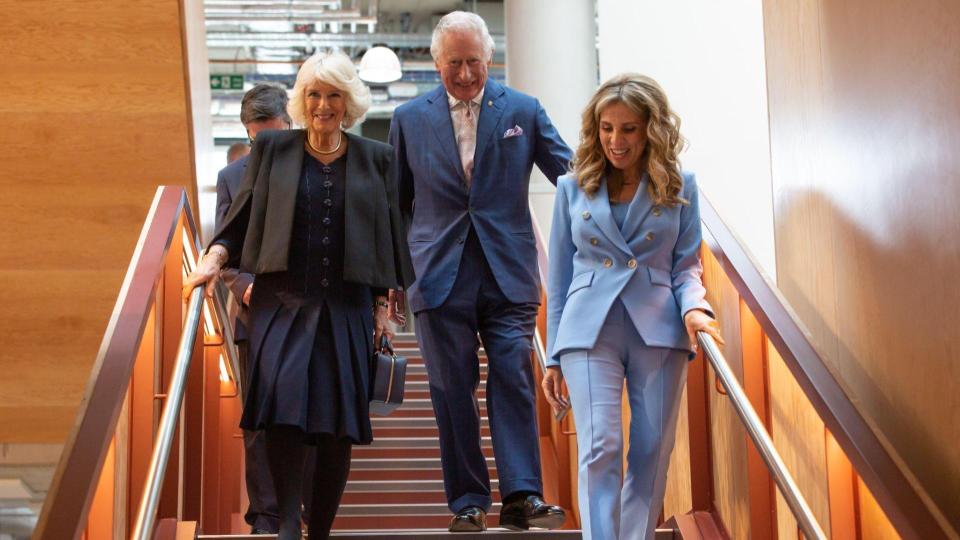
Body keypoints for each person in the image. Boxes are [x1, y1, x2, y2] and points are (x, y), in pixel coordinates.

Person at [185, 51, 414, 540]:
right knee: (285, 415)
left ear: (348, 103)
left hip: (347, 309)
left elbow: (384, 236)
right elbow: (239, 223)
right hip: (282, 305)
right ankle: (288, 522)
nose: (323, 105)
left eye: (333, 95)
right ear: (301, 101)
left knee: (336, 429)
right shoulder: (273, 152)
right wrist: (214, 260)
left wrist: (380, 306)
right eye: (313, 94)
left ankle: (321, 529)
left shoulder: (376, 159)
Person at [387, 10, 572, 533]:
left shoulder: (524, 111)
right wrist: (397, 279)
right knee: (451, 388)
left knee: (513, 373)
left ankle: (522, 495)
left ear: (490, 58)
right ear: (435, 61)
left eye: (474, 63)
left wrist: (633, 194)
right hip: (437, 273)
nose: (465, 75)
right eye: (454, 64)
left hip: (507, 270)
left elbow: (572, 176)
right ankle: (468, 500)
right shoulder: (408, 119)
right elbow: (395, 205)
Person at [541, 74, 724, 540]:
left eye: (628, 129)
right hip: (588, 330)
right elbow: (559, 278)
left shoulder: (682, 185)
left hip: (659, 326)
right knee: (600, 444)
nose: (615, 140)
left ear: (651, 131)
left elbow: (686, 266)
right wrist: (554, 354)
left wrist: (695, 309)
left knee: (650, 450)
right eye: (606, 128)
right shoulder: (571, 186)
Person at [214, 82, 294, 535]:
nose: (265, 149)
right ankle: (265, 519)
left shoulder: (317, 169)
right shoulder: (231, 178)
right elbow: (224, 248)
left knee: (306, 416)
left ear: (291, 124)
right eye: (256, 140)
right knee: (259, 421)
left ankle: (296, 510)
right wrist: (244, 287)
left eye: (275, 136)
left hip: (309, 313)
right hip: (256, 315)